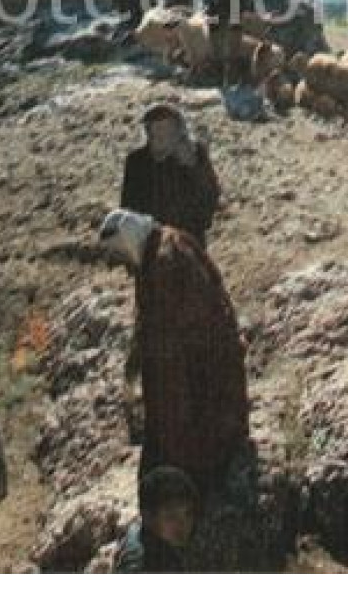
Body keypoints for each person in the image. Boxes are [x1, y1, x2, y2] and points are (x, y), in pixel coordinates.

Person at [99, 209, 250, 491]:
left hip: (206, 379)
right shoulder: (161, 250)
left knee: (191, 455)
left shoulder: (166, 263)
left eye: (121, 259)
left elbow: (174, 346)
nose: (124, 269)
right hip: (197, 368)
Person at [120, 103, 222, 246]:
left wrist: (192, 167)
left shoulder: (195, 153)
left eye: (167, 129)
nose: (161, 135)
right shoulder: (137, 160)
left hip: (189, 235)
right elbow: (128, 204)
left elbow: (211, 194)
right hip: (149, 237)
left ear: (178, 131)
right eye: (156, 129)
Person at [112, 466, 201, 573]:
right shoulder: (138, 560)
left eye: (188, 513)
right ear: (148, 517)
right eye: (171, 517)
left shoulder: (165, 542)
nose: (184, 524)